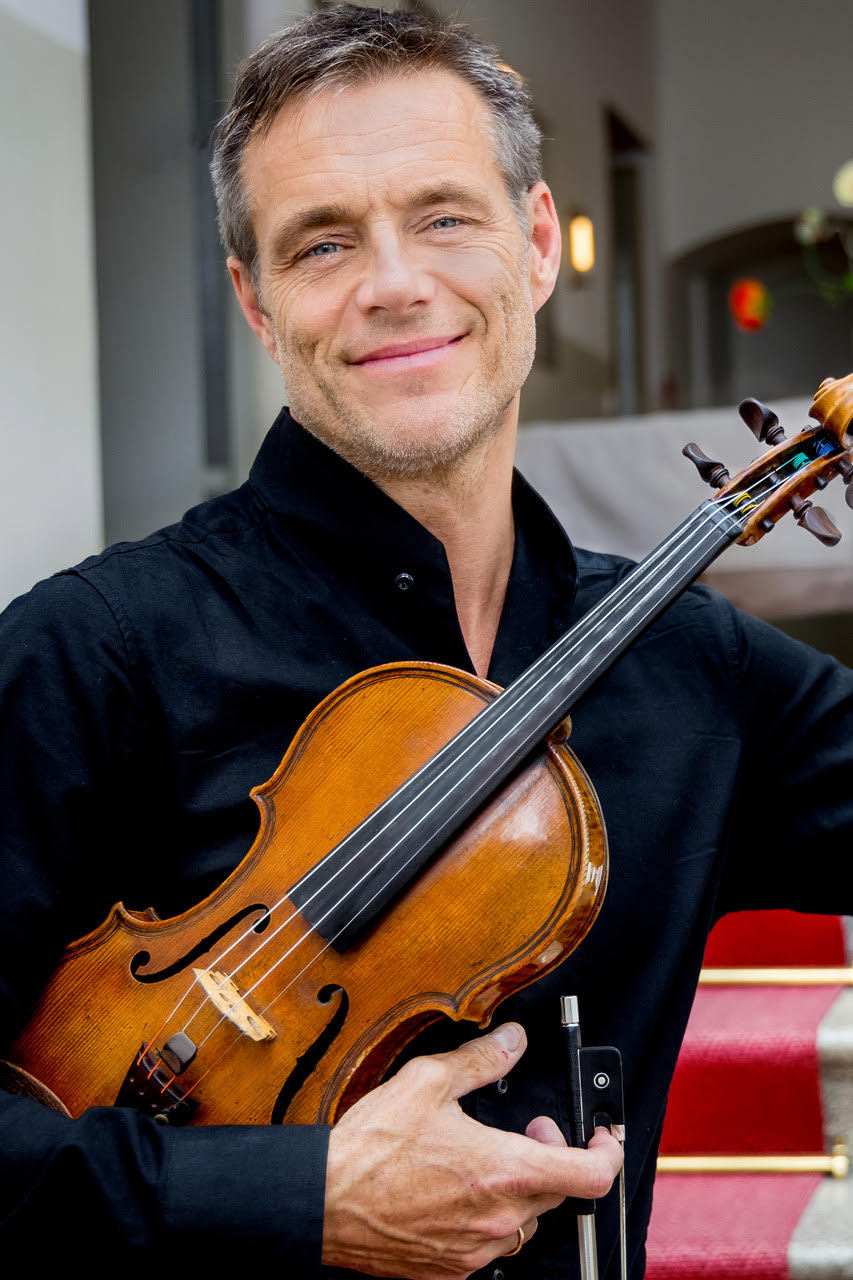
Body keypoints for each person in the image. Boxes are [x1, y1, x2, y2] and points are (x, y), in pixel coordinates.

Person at [0, 6, 850, 1277]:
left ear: (536, 242)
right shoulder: (92, 652)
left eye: (444, 216)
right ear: (255, 300)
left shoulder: (700, 668)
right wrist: (293, 1194)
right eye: (322, 241)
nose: (394, 282)